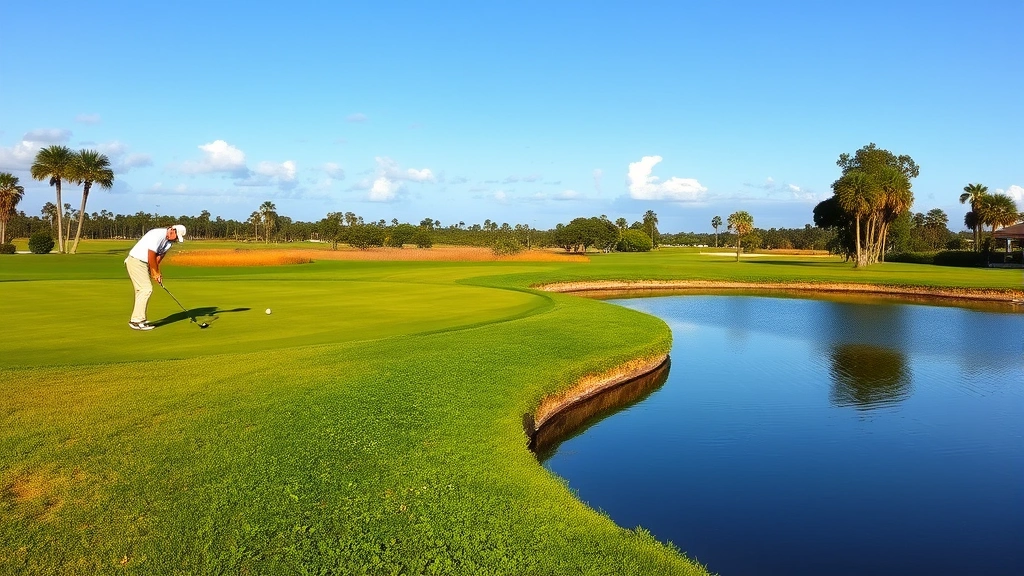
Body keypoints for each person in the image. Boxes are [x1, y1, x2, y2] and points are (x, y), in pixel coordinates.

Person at [125, 224, 186, 330]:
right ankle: (137, 321)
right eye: (176, 237)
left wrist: (157, 273)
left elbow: (157, 258)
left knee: (142, 290)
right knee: (145, 289)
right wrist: (154, 272)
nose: (176, 239)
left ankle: (137, 319)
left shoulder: (169, 243)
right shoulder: (157, 234)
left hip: (143, 263)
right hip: (135, 260)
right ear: (172, 230)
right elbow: (151, 254)